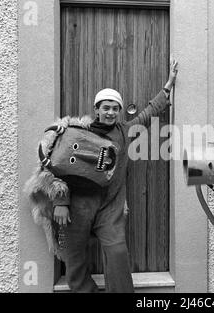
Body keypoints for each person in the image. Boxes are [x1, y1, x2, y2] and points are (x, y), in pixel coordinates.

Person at [52, 59, 179, 293]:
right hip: (79, 205)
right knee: (75, 256)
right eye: (106, 107)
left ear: (119, 111)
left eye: (114, 108)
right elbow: (56, 167)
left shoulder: (124, 131)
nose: (110, 112)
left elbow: (148, 113)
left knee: (117, 252)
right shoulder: (78, 131)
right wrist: (61, 201)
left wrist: (168, 86)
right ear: (97, 110)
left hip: (111, 206)